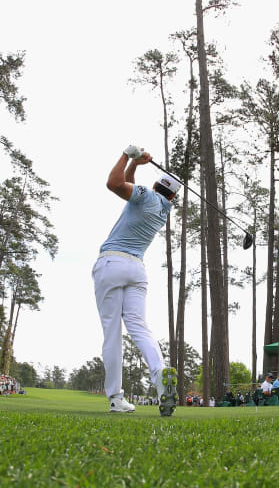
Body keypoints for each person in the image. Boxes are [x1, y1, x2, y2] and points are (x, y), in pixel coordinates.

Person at [93, 146, 179, 415]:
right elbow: (129, 184)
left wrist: (125, 155)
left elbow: (114, 183)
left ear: (154, 185)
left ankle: (116, 397)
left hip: (111, 263)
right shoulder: (164, 208)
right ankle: (161, 375)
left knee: (112, 332)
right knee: (139, 327)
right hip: (137, 270)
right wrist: (136, 166)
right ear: (174, 195)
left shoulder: (146, 196)